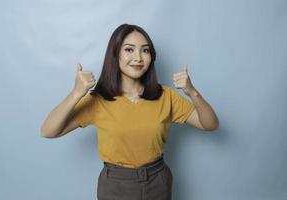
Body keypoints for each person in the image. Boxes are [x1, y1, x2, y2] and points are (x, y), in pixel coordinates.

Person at [40, 23, 219, 200]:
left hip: (158, 181)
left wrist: (192, 92)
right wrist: (76, 93)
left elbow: (210, 124)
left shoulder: (166, 96)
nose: (138, 57)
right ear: (115, 54)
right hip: (115, 186)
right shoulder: (99, 100)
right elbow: (48, 131)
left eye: (145, 50)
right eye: (129, 49)